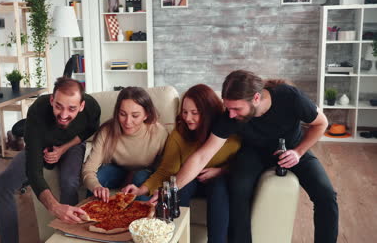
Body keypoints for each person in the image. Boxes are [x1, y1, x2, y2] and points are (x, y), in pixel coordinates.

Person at [175, 70, 338, 243]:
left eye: (236, 108)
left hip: (292, 148)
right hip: (254, 152)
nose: (231, 114)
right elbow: (202, 156)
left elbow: (321, 123)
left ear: (256, 98)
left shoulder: (290, 97)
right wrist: (172, 189)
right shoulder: (230, 116)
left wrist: (298, 152)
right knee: (238, 189)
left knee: (326, 195)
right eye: (228, 107)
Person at [122, 84, 241, 243]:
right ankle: (174, 238)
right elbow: (166, 170)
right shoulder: (179, 133)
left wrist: (222, 171)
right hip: (188, 182)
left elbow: (242, 163)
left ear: (208, 113)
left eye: (194, 113)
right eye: (184, 112)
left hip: (218, 183)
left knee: (219, 185)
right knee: (178, 189)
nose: (187, 118)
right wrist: (141, 190)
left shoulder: (229, 133)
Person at [0, 77, 101, 243]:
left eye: (71, 109)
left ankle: (67, 238)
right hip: (42, 145)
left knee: (69, 182)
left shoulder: (92, 107)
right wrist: (55, 207)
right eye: (58, 106)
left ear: (81, 106)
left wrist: (63, 148)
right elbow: (33, 171)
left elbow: (90, 130)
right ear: (52, 100)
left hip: (71, 146)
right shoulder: (37, 111)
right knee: (2, 183)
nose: (64, 115)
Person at [82, 86, 168, 202]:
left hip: (145, 173)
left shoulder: (159, 132)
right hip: (117, 171)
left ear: (146, 115)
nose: (127, 122)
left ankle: (143, 218)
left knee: (140, 177)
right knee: (101, 175)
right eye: (122, 114)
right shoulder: (107, 131)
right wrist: (96, 186)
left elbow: (165, 169)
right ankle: (92, 216)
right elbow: (89, 169)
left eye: (135, 116)